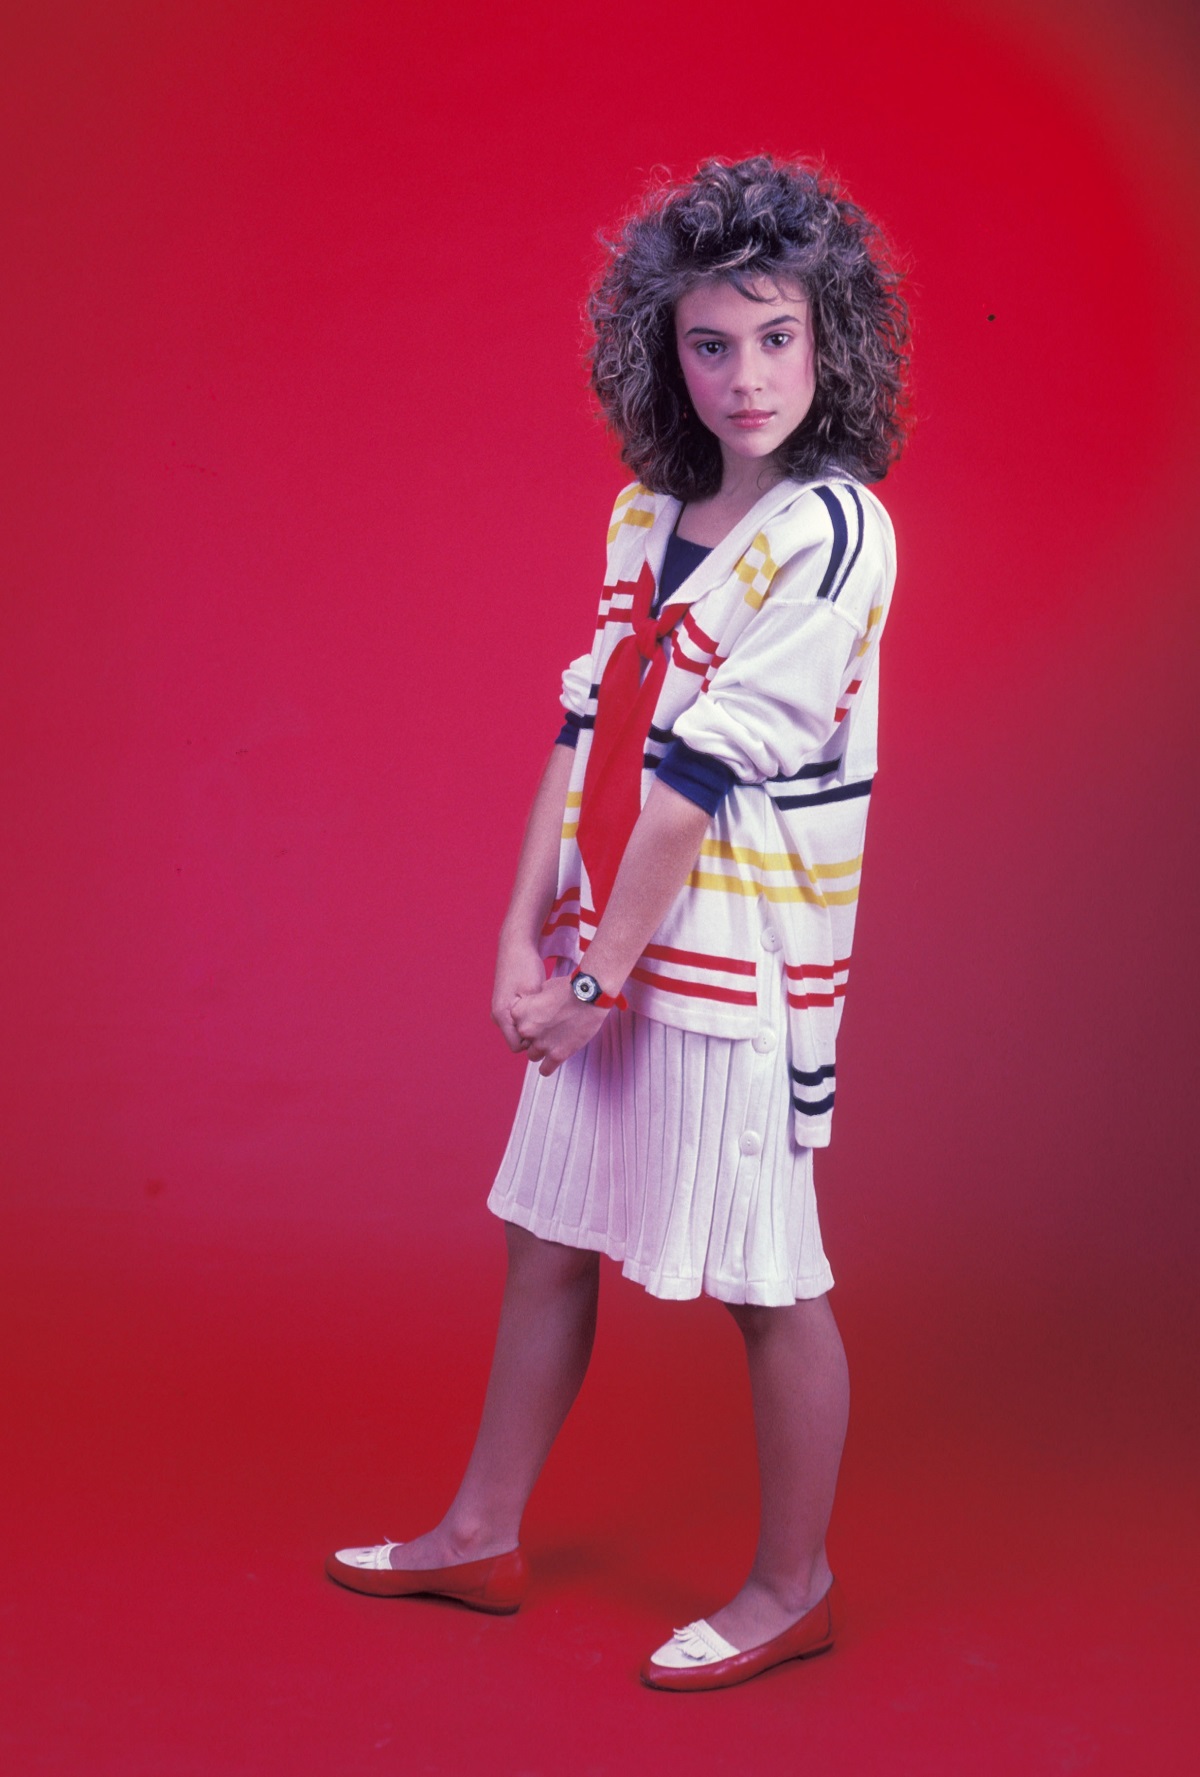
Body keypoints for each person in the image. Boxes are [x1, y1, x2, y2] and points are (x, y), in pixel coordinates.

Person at [327, 155, 910, 1692]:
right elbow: (589, 727)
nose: (746, 376)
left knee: (766, 1279)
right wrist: (520, 936)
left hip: (729, 963)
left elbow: (697, 780)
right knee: (546, 1236)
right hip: (611, 945)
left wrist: (586, 985)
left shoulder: (837, 529)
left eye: (777, 336)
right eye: (712, 343)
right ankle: (480, 1531)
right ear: (667, 350)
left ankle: (793, 1585)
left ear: (832, 338)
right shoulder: (644, 514)